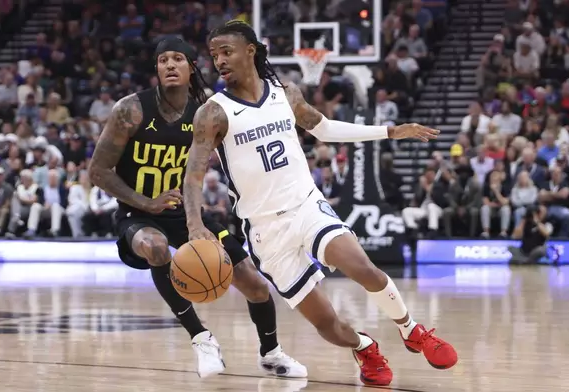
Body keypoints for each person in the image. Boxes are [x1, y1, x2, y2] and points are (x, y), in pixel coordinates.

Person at [183, 21, 457, 387]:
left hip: (305, 205)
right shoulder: (213, 112)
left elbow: (324, 128)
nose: (219, 60)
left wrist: (389, 131)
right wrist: (194, 225)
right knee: (327, 324)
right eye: (214, 54)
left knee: (364, 268)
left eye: (226, 51)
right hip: (265, 229)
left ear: (251, 49)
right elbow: (194, 175)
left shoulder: (285, 92)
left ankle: (412, 330)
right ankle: (365, 346)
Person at [88, 37, 305, 379]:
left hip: (185, 211)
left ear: (192, 68)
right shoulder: (131, 110)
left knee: (255, 284)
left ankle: (272, 352)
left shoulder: (206, 111)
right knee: (155, 248)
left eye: (177, 59)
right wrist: (146, 202)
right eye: (163, 60)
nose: (169, 65)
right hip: (138, 212)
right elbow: (97, 171)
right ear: (157, 68)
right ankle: (201, 338)